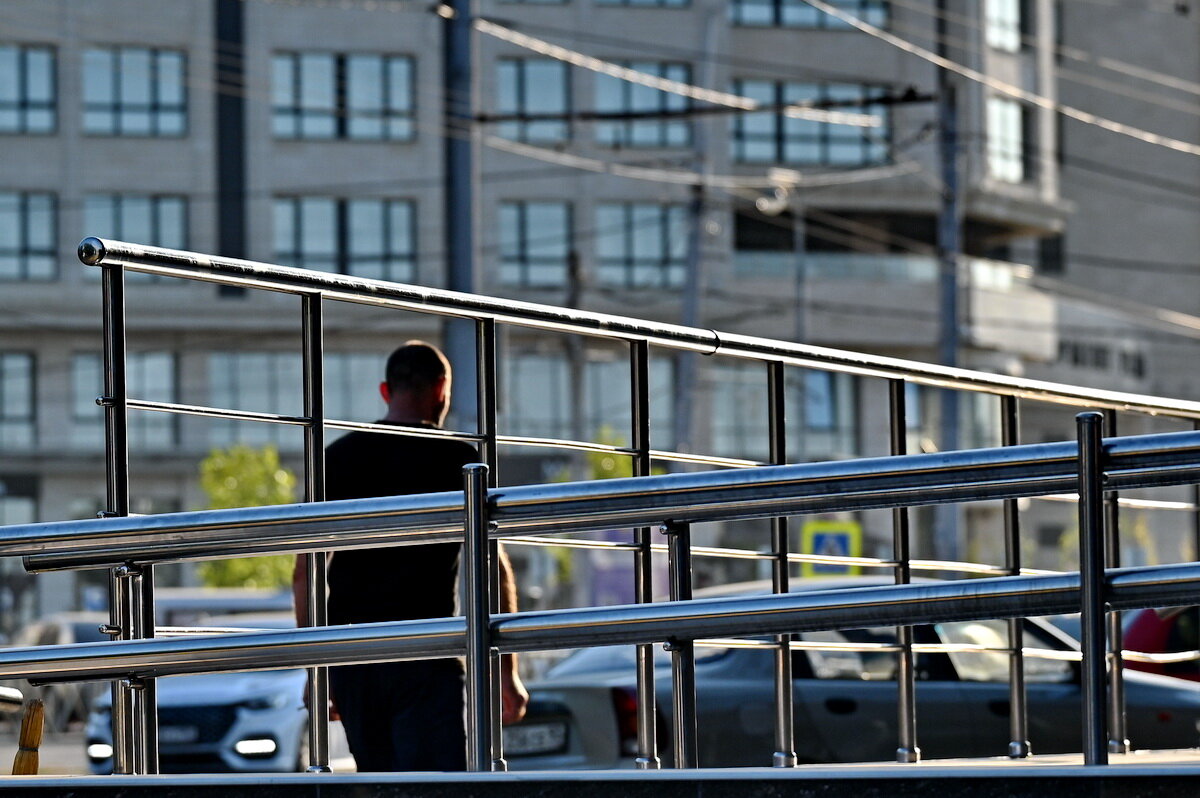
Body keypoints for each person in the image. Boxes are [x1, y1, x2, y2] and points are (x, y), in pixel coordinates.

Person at [292, 340, 528, 771]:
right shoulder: (460, 460)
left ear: (386, 391)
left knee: (377, 781)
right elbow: (492, 569)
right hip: (428, 654)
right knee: (438, 786)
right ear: (442, 389)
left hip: (354, 654)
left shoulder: (336, 458)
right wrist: (505, 669)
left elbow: (306, 573)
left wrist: (315, 669)